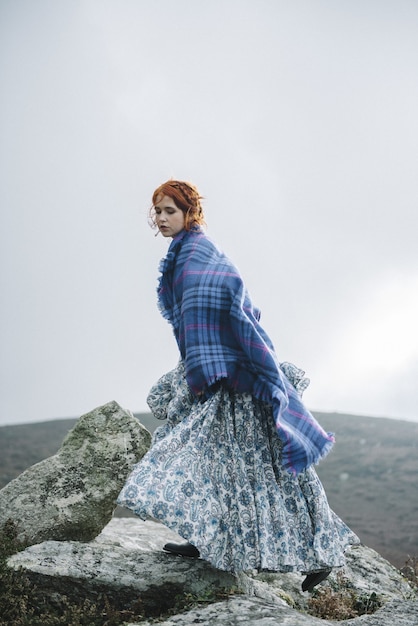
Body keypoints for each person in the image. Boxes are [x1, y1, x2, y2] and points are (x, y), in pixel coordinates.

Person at [117, 179, 359, 591]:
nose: (160, 219)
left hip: (233, 375)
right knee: (217, 461)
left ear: (189, 213)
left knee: (270, 467)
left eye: (168, 211)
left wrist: (217, 361)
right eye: (156, 211)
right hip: (217, 371)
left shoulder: (200, 255)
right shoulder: (184, 254)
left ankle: (324, 553)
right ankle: (206, 537)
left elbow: (235, 304)